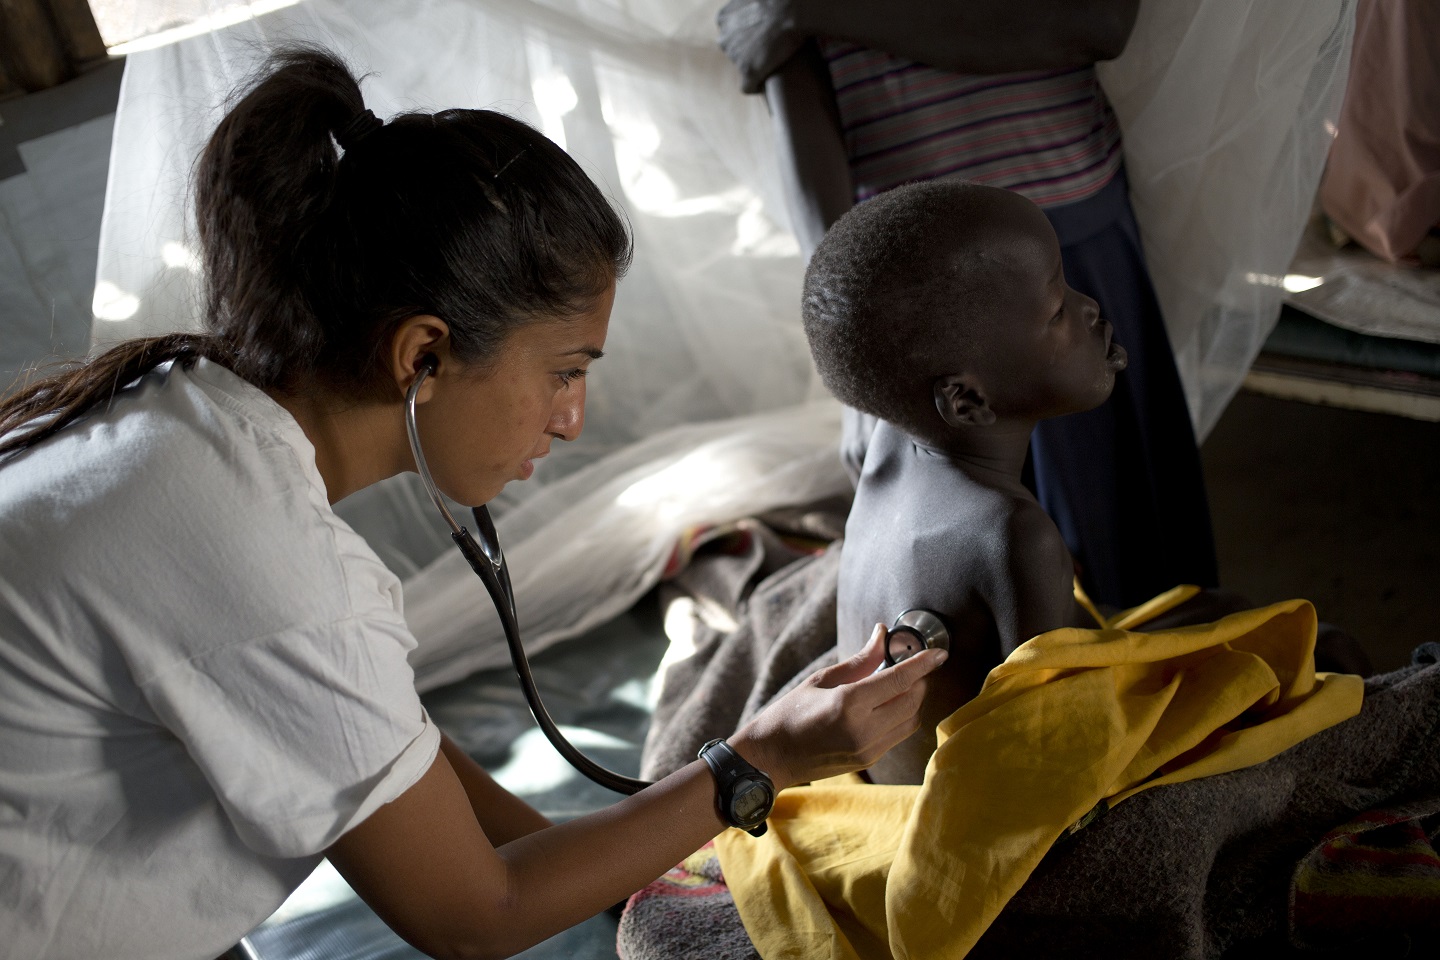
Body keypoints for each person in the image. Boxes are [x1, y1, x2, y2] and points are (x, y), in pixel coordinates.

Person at [0, 48, 947, 960]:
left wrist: (631, 867)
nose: (573, 419)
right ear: (423, 356)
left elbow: (378, 741)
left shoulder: (190, 420)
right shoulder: (253, 554)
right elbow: (474, 920)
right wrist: (758, 761)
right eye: (565, 372)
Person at [717, 0, 1219, 609]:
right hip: (918, 286)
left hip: (1063, 212)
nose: (1092, 310)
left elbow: (1097, 23)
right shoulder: (1018, 541)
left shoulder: (914, 503)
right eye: (1065, 309)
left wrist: (808, 10)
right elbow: (1052, 696)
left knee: (1130, 520)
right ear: (964, 397)